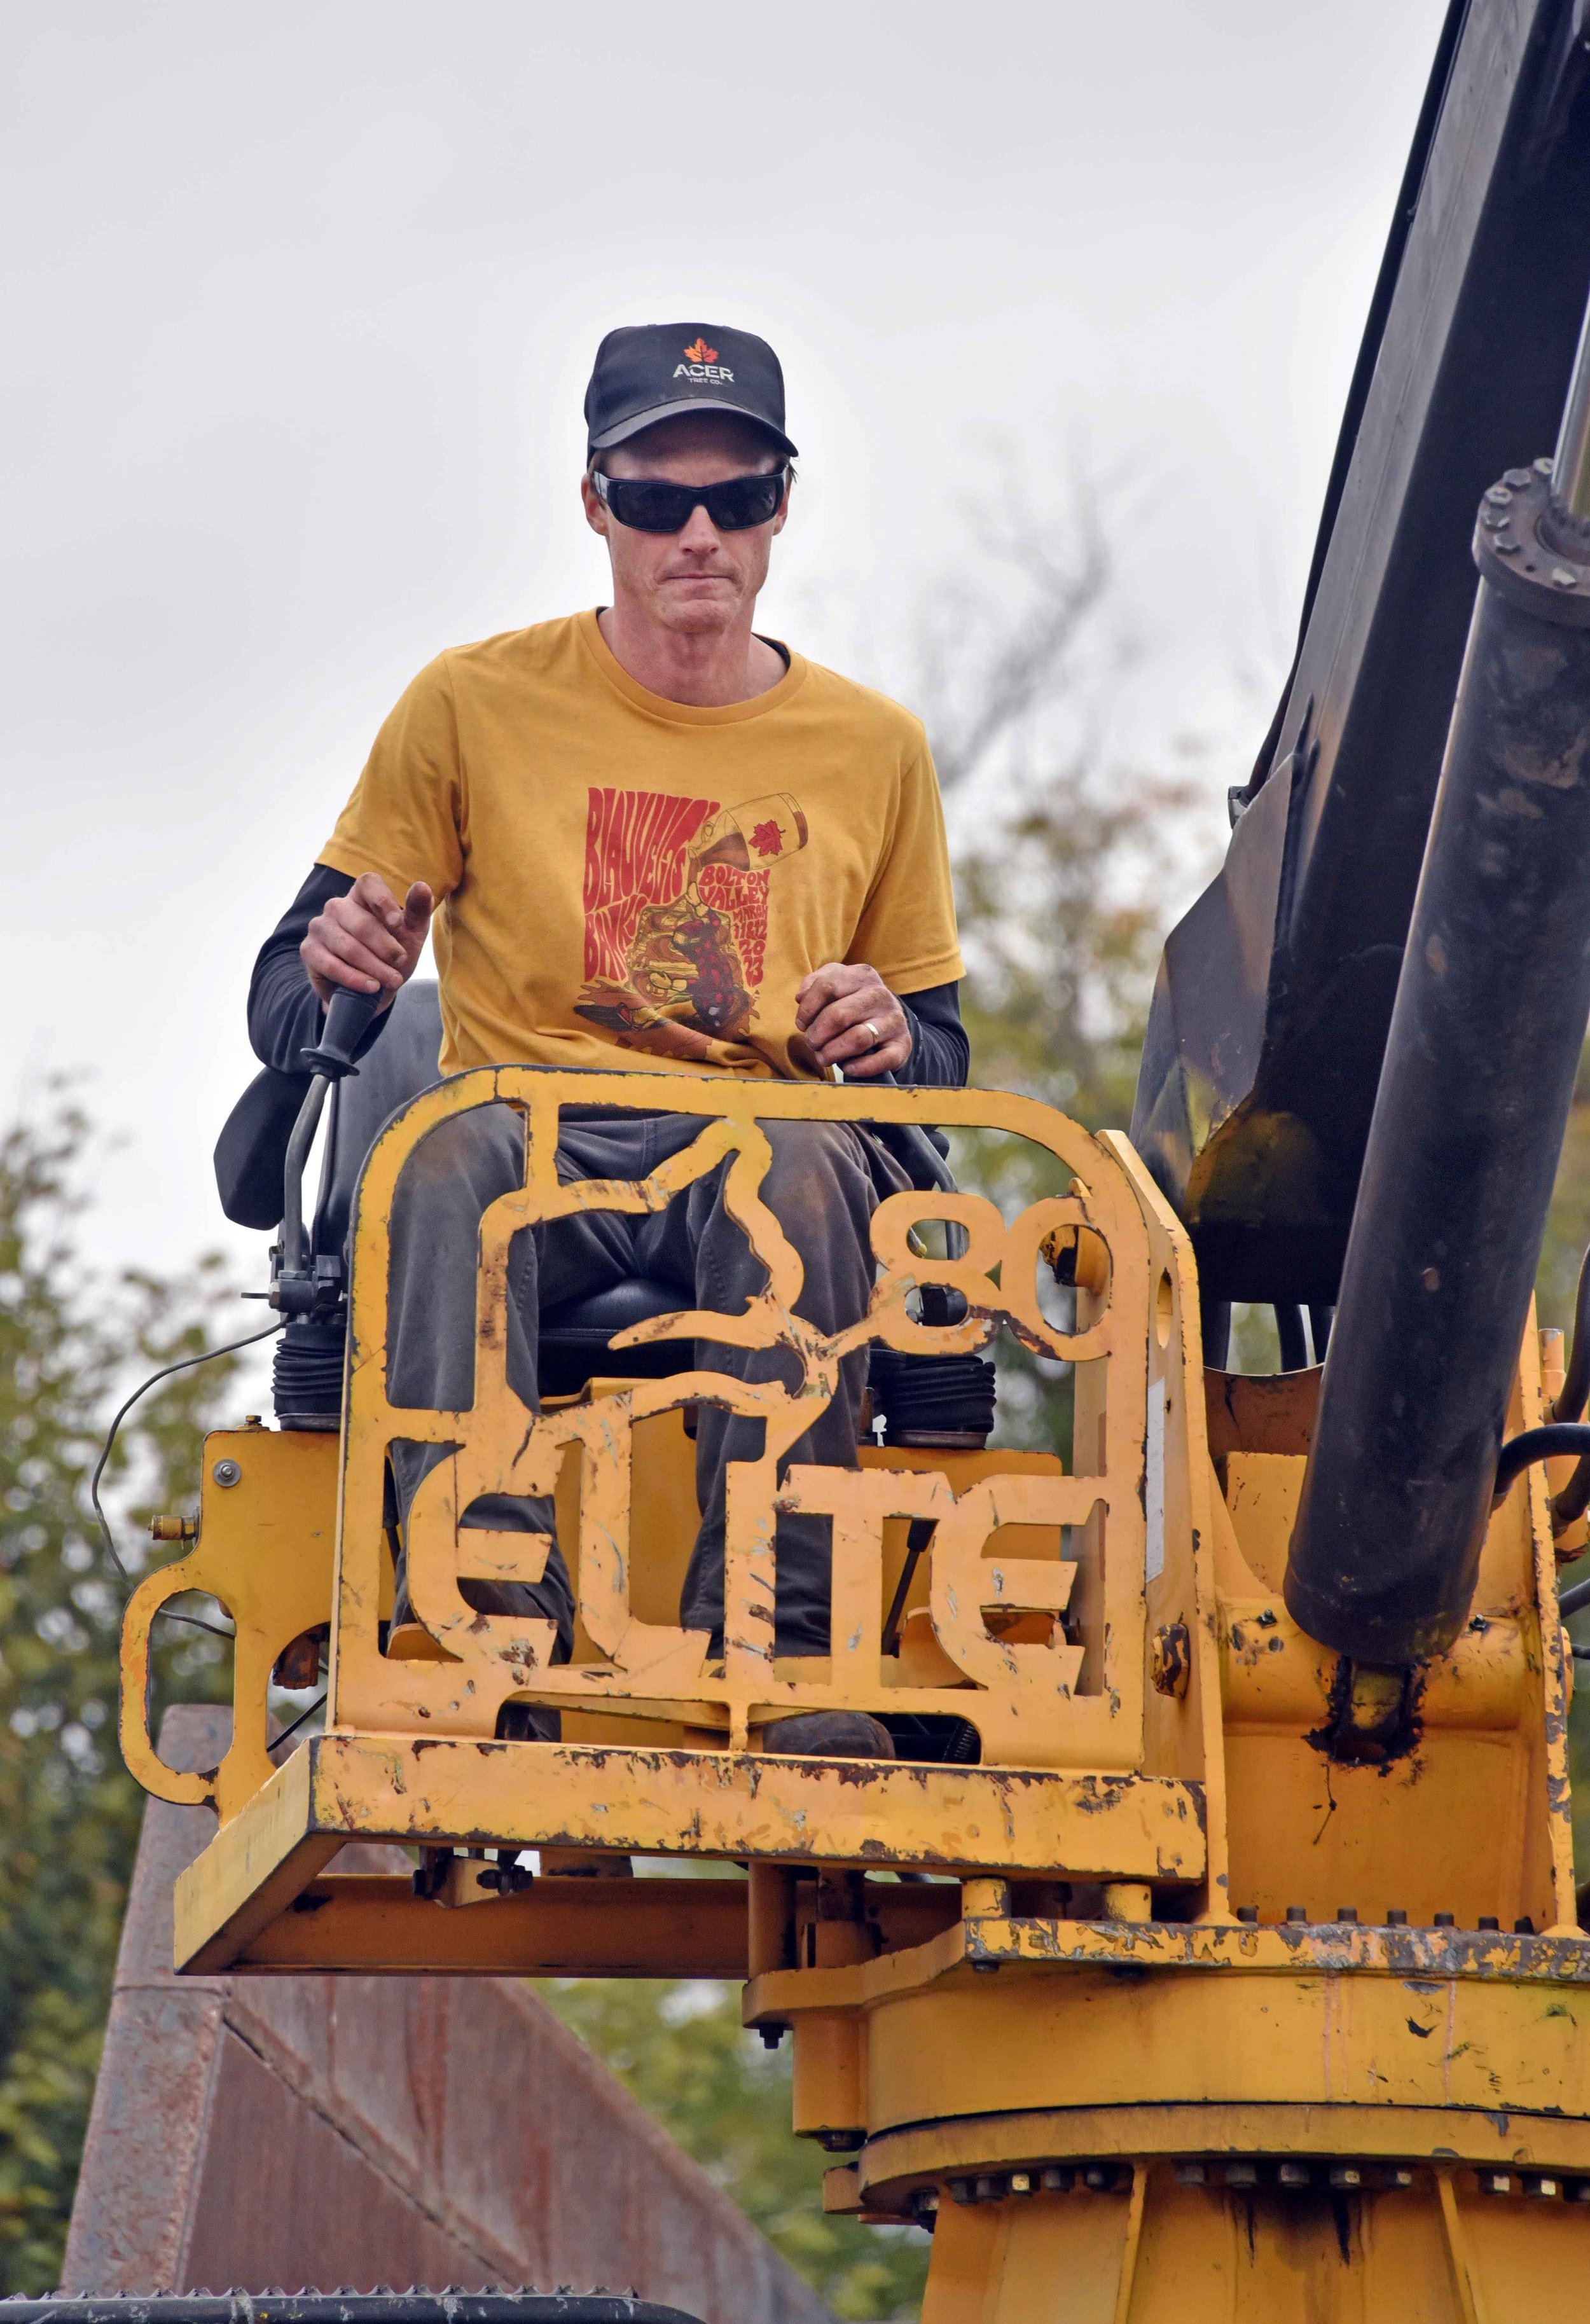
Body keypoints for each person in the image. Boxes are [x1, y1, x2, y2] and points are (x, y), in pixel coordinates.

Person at [247, 322, 967, 1756]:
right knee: (442, 1156)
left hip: (755, 1150)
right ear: (596, 506)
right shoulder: (469, 704)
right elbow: (286, 998)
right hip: (532, 1137)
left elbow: (937, 1058)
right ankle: (487, 1624)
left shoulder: (872, 747)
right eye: (655, 500)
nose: (695, 534)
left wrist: (886, 1032)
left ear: (779, 506)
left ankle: (786, 1648)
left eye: (734, 498)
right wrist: (346, 974)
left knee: (813, 1171)